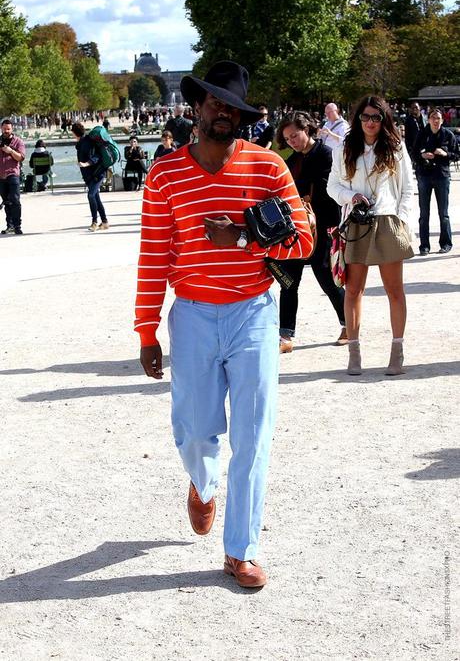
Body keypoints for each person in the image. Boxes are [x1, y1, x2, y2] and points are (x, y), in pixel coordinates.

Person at [135, 61, 313, 588]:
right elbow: (152, 255)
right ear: (196, 107)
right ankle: (202, 483)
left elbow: (302, 241)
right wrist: (147, 330)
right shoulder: (163, 173)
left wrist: (242, 238)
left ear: (242, 116)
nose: (223, 112)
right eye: (215, 103)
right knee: (192, 427)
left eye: (232, 107)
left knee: (255, 436)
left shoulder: (267, 168)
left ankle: (242, 548)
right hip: (191, 313)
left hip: (254, 312)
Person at [327, 95, 415, 376]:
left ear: (384, 118)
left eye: (376, 117)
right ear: (357, 118)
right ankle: (354, 352)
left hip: (388, 221)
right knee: (353, 290)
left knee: (394, 291)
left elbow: (408, 189)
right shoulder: (344, 147)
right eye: (365, 116)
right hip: (356, 223)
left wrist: (401, 219)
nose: (370, 122)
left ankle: (397, 351)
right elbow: (332, 186)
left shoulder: (395, 146)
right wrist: (351, 196)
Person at [275, 111, 347, 353]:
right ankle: (285, 336)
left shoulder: (326, 154)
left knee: (327, 279)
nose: (292, 141)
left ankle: (348, 324)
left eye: (295, 135)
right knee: (288, 282)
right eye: (287, 139)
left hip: (322, 226)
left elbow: (330, 192)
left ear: (307, 129)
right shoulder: (291, 159)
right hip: (296, 228)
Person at [413, 108, 458, 255]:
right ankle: (424, 246)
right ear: (429, 120)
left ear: (442, 120)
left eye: (438, 118)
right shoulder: (422, 134)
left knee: (443, 213)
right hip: (424, 176)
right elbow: (413, 154)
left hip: (441, 176)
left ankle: (446, 243)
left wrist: (446, 154)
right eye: (433, 118)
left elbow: (456, 155)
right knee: (424, 213)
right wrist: (422, 156)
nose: (436, 120)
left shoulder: (448, 135)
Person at [71, 122, 109, 232]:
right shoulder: (82, 143)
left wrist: (86, 163)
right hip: (90, 175)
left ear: (75, 133)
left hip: (97, 174)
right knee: (96, 197)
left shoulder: (86, 143)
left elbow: (96, 156)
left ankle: (94, 222)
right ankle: (105, 222)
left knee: (91, 195)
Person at [0, 119, 26, 235]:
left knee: (15, 200)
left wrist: (10, 151)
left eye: (8, 129)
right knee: (6, 201)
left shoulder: (18, 142)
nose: (6, 131)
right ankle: (9, 225)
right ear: (1, 128)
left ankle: (17, 225)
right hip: (1, 176)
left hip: (13, 175)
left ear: (12, 129)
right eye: (4, 128)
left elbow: (20, 158)